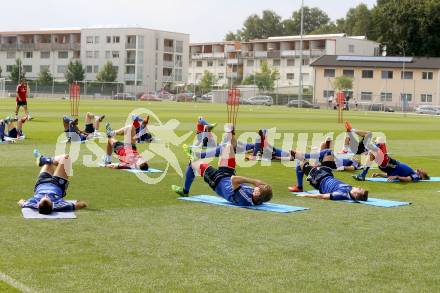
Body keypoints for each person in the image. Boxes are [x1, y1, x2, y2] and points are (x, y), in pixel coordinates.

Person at [172, 125, 272, 206]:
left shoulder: (244, 199)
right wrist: (262, 185)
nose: (257, 188)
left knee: (192, 164)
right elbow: (265, 189)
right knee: (228, 146)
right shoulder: (259, 197)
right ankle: (230, 134)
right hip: (227, 175)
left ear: (257, 195)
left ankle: (185, 191)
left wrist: (254, 181)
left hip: (217, 180)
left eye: (258, 189)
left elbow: (234, 179)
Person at [17, 150, 87, 215]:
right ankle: (44, 159)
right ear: (52, 204)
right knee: (66, 158)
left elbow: (21, 201)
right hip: (58, 183)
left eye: (43, 198)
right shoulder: (58, 205)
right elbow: (82, 204)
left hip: (42, 181)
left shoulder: (32, 203)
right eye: (48, 198)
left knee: (49, 163)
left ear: (38, 204)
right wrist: (58, 207)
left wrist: (28, 205)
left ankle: (44, 160)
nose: (46, 195)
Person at [288, 148, 361, 192]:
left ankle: (304, 155)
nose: (355, 158)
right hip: (330, 163)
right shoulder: (349, 159)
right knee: (300, 163)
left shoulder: (354, 162)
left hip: (334, 164)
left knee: (328, 151)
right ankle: (299, 186)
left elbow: (353, 168)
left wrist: (343, 168)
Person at [291, 161, 369, 201]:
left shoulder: (342, 194)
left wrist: (305, 195)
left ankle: (299, 187)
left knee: (300, 164)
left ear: (355, 195)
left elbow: (323, 196)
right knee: (308, 163)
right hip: (327, 175)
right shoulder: (350, 189)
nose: (359, 187)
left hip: (319, 179)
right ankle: (299, 186)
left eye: (360, 189)